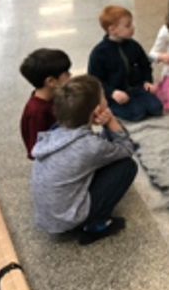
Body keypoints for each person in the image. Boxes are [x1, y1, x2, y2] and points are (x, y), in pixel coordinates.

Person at [31, 75, 138, 245]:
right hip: (68, 219)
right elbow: (126, 148)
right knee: (127, 166)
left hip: (48, 216)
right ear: (96, 110)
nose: (106, 99)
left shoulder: (55, 131)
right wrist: (110, 121)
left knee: (105, 159)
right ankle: (95, 226)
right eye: (104, 96)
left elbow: (100, 149)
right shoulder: (90, 146)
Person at [88, 5, 163, 121]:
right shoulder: (99, 53)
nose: (133, 28)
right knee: (137, 114)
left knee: (156, 108)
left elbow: (145, 66)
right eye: (128, 25)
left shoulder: (134, 45)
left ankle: (138, 103)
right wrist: (112, 92)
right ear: (112, 30)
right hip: (117, 94)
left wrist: (147, 82)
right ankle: (113, 107)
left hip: (137, 89)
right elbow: (95, 80)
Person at [19, 48, 72, 160]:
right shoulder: (37, 112)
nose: (70, 76)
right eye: (66, 73)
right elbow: (36, 150)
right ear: (51, 82)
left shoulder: (54, 97)